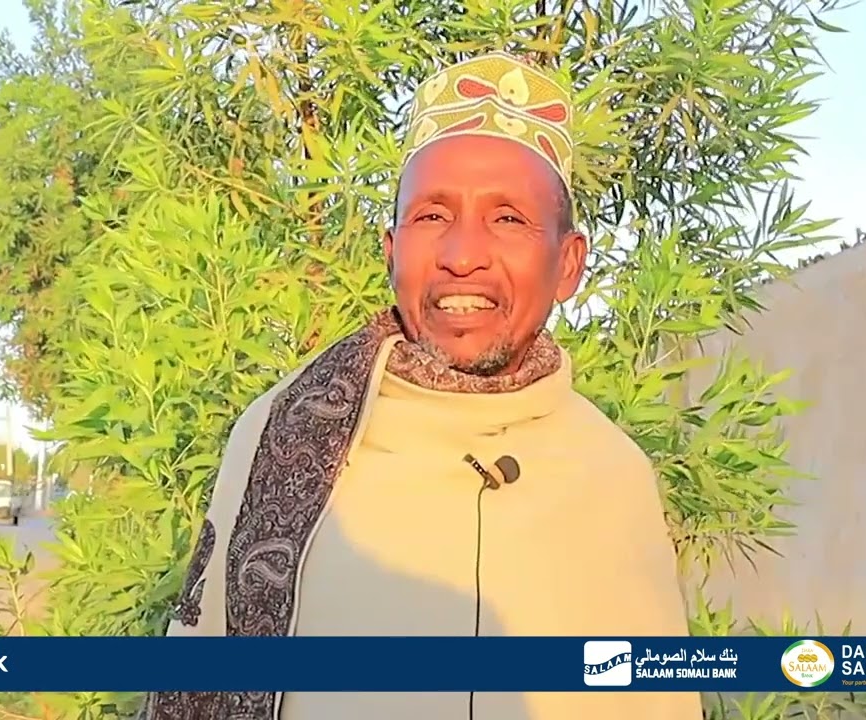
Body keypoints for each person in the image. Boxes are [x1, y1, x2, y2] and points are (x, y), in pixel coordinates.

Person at [143, 51, 701, 720]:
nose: (462, 256)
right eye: (433, 216)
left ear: (568, 264)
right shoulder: (279, 441)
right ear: (391, 251)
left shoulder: (613, 479)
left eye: (508, 219)